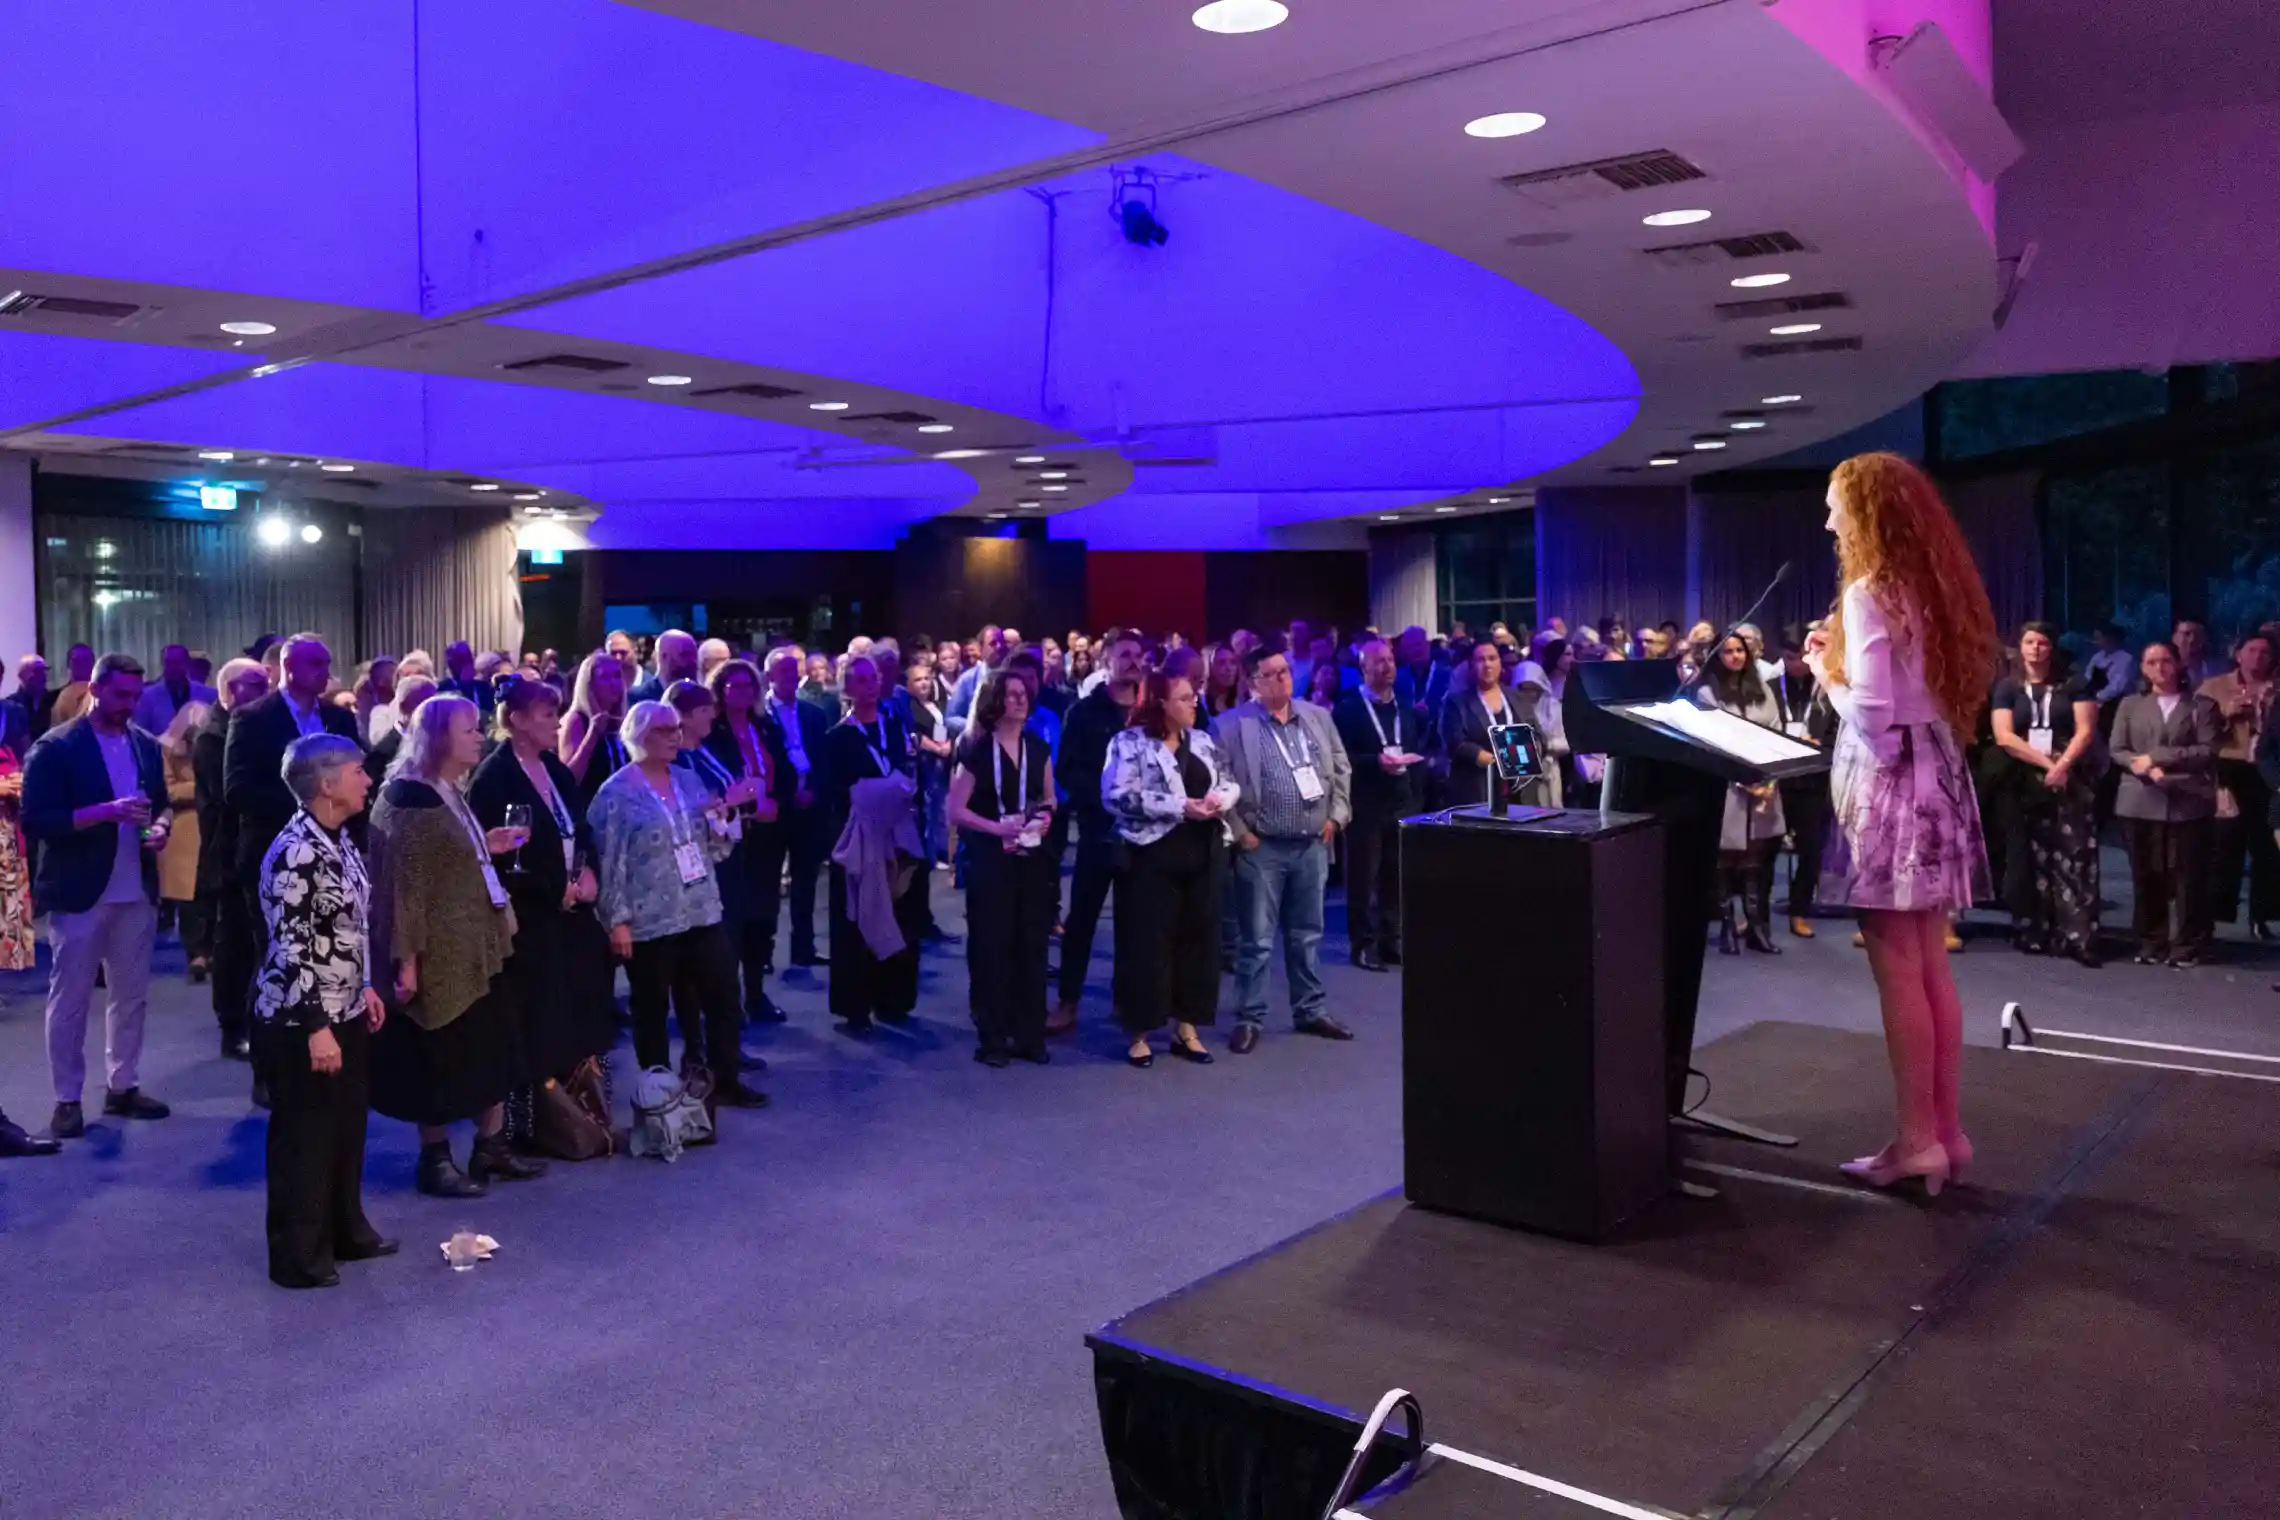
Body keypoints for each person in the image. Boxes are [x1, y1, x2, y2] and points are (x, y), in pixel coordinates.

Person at [1807, 453, 1996, 1195]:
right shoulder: (1934, 585)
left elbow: (1875, 720)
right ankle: (1945, 1133)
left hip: (1891, 791)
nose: (1829, 522)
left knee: (1898, 970)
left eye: (1835, 506)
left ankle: (1916, 1142)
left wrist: (1825, 673)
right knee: (1931, 966)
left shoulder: (1869, 592)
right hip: (1937, 777)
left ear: (1866, 513)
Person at [367, 695, 545, 1198]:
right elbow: (404, 888)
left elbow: (444, 855)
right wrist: (406, 962)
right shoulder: (409, 800)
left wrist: (485, 843)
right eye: (469, 730)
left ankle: (490, 1147)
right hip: (439, 952)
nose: (480, 737)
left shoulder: (445, 788)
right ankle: (435, 1159)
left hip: (477, 943)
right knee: (438, 1058)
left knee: (492, 1049)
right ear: (440, 738)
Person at [253, 734, 395, 1289]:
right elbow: (292, 946)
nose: (369, 780)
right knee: (305, 1136)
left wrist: (367, 988)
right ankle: (298, 1255)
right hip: (301, 1018)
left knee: (346, 1127)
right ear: (327, 783)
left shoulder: (336, 839)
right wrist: (317, 1026)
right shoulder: (296, 852)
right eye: (359, 771)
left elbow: (347, 927)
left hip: (346, 1005)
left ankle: (346, 1232)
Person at [22, 654, 175, 1139]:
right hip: (78, 889)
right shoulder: (56, 747)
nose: (129, 704)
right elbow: (37, 821)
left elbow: (161, 805)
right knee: (69, 999)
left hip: (136, 889)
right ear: (95, 688)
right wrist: (104, 812)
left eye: (136, 696)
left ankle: (122, 1085)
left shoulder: (144, 744)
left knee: (131, 996)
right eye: (121, 694)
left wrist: (160, 828)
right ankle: (66, 1098)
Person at [590, 702, 767, 1105]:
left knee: (723, 997)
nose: (675, 736)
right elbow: (609, 860)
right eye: (664, 730)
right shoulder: (615, 794)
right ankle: (660, 1096)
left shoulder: (688, 780)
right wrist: (616, 920)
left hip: (700, 909)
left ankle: (724, 1079)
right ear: (640, 736)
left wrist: (724, 817)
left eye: (676, 729)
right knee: (651, 1010)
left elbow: (714, 848)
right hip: (649, 919)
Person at [467, 678, 618, 1104]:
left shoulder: (554, 768)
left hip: (574, 911)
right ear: (517, 720)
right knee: (541, 1025)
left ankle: (589, 1110)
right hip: (532, 919)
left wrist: (588, 873)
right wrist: (553, 891)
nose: (558, 723)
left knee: (588, 1010)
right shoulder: (493, 777)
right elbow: (492, 859)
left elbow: (580, 828)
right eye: (548, 715)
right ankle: (539, 1120)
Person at [1215, 646, 1354, 1053]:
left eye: (1285, 671)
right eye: (1271, 674)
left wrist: (1336, 817)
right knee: (1256, 939)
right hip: (1262, 846)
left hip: (1312, 843)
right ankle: (1250, 1016)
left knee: (1307, 934)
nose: (1283, 678)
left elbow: (1341, 768)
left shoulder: (1317, 716)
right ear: (1251, 682)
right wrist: (1241, 833)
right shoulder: (1230, 726)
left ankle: (1310, 1009)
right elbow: (1219, 782)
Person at [1107, 670, 1239, 1067]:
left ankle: (1187, 1028)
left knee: (1198, 942)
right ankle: (1139, 1033)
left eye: (1193, 696)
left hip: (1203, 852)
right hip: (1151, 856)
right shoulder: (1129, 742)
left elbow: (1230, 782)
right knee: (1148, 944)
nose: (1193, 702)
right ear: (1161, 703)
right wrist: (1181, 806)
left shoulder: (1202, 741)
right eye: (1184, 698)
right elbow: (1116, 795)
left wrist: (1217, 801)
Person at [948, 668, 1057, 1066]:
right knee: (991, 947)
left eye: (1023, 693)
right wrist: (997, 828)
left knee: (1031, 946)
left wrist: (1044, 817)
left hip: (1030, 859)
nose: (1020, 699)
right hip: (990, 861)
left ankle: (1029, 1035)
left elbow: (1050, 798)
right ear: (996, 702)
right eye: (1011, 694)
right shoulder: (977, 750)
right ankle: (992, 1039)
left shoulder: (1037, 748)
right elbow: (955, 810)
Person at [822, 657, 927, 1035]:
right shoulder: (837, 737)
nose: (869, 685)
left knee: (902, 914)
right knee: (857, 917)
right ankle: (855, 1006)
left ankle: (894, 1000)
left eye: (873, 678)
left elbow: (911, 771)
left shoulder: (895, 726)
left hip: (898, 834)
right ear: (847, 687)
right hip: (860, 836)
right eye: (860, 680)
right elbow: (835, 792)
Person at [1989, 622, 2102, 966]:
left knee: (2075, 853)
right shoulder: (2008, 687)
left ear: (2052, 648)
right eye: (2029, 642)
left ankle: (2078, 935)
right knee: (2032, 856)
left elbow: (2086, 730)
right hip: (2025, 777)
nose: (2036, 648)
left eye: (2042, 642)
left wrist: (2062, 765)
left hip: (2071, 776)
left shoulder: (2074, 684)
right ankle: (2036, 929)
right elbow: (2004, 735)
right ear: (2020, 647)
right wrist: (2046, 764)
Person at [1053, 630, 1146, 1034]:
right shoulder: (1083, 712)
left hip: (1144, 834)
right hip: (1098, 830)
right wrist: (1104, 797)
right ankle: (1067, 1002)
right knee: (1082, 920)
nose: (1133, 661)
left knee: (1135, 921)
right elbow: (1066, 769)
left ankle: (1126, 1000)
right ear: (1105, 660)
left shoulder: (1151, 709)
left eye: (1138, 654)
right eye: (1124, 654)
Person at [2110, 643, 2221, 968]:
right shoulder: (2131, 704)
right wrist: (2142, 767)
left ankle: (2187, 945)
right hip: (2139, 799)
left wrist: (2157, 758)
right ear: (2143, 667)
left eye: (2165, 661)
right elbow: (2118, 749)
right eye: (2151, 662)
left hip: (2187, 801)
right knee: (2146, 875)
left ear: (2178, 664)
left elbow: (2207, 750)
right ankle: (2151, 942)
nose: (2159, 668)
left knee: (2187, 877)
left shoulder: (2201, 705)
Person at [702, 659, 794, 1022]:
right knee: (732, 918)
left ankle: (756, 994)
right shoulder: (712, 732)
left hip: (768, 833)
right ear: (720, 691)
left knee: (762, 915)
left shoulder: (765, 726)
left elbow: (785, 773)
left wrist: (777, 802)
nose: (742, 693)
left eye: (748, 686)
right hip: (730, 835)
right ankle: (728, 1001)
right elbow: (714, 782)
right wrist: (750, 805)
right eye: (734, 686)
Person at [1334, 640, 1426, 973]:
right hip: (1365, 805)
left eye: (1390, 660)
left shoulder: (1405, 705)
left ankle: (1391, 941)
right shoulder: (1347, 709)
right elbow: (1339, 758)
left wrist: (1416, 800)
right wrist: (1376, 761)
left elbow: (1414, 749)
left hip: (1401, 801)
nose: (1388, 667)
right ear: (1364, 668)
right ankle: (1362, 945)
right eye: (1379, 662)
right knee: (1363, 879)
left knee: (1394, 876)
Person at [1696, 634, 1788, 955]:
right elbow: (1712, 742)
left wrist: (1767, 779)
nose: (1735, 656)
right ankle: (1727, 928)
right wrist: (1742, 777)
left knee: (1755, 859)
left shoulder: (1762, 688)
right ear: (1717, 656)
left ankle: (1755, 928)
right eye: (1728, 651)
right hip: (1727, 784)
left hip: (1764, 782)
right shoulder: (1707, 692)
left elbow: (1776, 730)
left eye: (1740, 650)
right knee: (1725, 858)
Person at [2197, 632, 2278, 940]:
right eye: (2252, 650)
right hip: (2228, 766)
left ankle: (2262, 915)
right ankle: (2218, 914)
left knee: (2267, 846)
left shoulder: (2276, 688)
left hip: (2267, 770)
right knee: (2226, 842)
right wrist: (2226, 714)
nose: (2258, 657)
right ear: (2238, 653)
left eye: (2265, 652)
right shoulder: (2215, 686)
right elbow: (2198, 732)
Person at [766, 648, 832, 967]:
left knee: (806, 882)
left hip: (809, 807)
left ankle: (803, 947)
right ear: (769, 676)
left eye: (795, 672)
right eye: (784, 672)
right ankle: (762, 953)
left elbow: (823, 759)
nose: (791, 678)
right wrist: (788, 793)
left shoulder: (813, 713)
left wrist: (813, 792)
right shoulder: (760, 716)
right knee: (767, 883)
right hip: (777, 808)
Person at [1773, 625, 1836, 937]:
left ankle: (1799, 911)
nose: (1796, 664)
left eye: (1801, 657)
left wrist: (1818, 746)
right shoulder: (1771, 688)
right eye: (1789, 658)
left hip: (1812, 780)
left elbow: (1839, 736)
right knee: (1765, 851)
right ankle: (1756, 917)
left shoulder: (1827, 689)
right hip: (1776, 779)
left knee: (1811, 850)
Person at [157, 700, 208, 976]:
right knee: (188, 899)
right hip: (183, 829)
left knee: (210, 893)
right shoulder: (165, 750)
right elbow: (167, 790)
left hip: (211, 826)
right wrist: (201, 786)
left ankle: (210, 951)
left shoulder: (213, 746)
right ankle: (196, 953)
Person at [1439, 640, 1521, 808]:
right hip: (1476, 788)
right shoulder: (1457, 702)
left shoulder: (1517, 697)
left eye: (1492, 658)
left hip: (1517, 788)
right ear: (1471, 666)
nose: (1487, 665)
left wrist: (1530, 752)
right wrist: (1479, 754)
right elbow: (1454, 741)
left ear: (1500, 664)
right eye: (1481, 660)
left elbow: (1538, 734)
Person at [561, 650, 631, 808]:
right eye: (604, 677)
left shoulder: (621, 720)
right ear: (589, 684)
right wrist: (593, 734)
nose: (613, 683)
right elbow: (567, 780)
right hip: (587, 812)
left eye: (617, 676)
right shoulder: (576, 720)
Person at [908, 664, 953, 869]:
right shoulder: (911, 707)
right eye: (918, 680)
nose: (924, 683)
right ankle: (930, 855)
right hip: (925, 762)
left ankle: (941, 852)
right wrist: (937, 748)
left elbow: (944, 728)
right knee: (928, 808)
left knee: (940, 807)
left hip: (942, 761)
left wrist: (948, 744)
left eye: (926, 678)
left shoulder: (936, 704)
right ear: (909, 684)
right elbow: (916, 735)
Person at [131, 642, 216, 736]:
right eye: (168, 663)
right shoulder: (147, 697)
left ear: (187, 664)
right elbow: (139, 733)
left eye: (177, 663)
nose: (172, 668)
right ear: (162, 664)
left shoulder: (209, 694)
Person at [630, 629, 700, 705]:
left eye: (695, 655)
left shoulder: (701, 697)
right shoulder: (637, 698)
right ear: (663, 657)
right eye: (685, 654)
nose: (693, 661)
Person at [2084, 623, 2135, 704]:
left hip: (2117, 703)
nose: (2095, 642)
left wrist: (2097, 696)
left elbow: (2117, 687)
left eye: (2098, 638)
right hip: (2093, 699)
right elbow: (2087, 676)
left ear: (2110, 638)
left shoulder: (2127, 659)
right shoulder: (2097, 656)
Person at [47, 644, 96, 727]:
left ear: (93, 664)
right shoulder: (53, 698)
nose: (81, 665)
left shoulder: (99, 694)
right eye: (77, 661)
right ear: (68, 664)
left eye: (86, 660)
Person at [354, 657, 400, 744]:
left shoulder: (402, 706)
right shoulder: (377, 714)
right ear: (381, 682)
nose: (401, 679)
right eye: (396, 675)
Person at [2173, 620, 2229, 688]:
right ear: (2174, 637)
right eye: (2187, 634)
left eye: (2197, 634)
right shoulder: (2167, 670)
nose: (2192, 639)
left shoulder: (2220, 669)